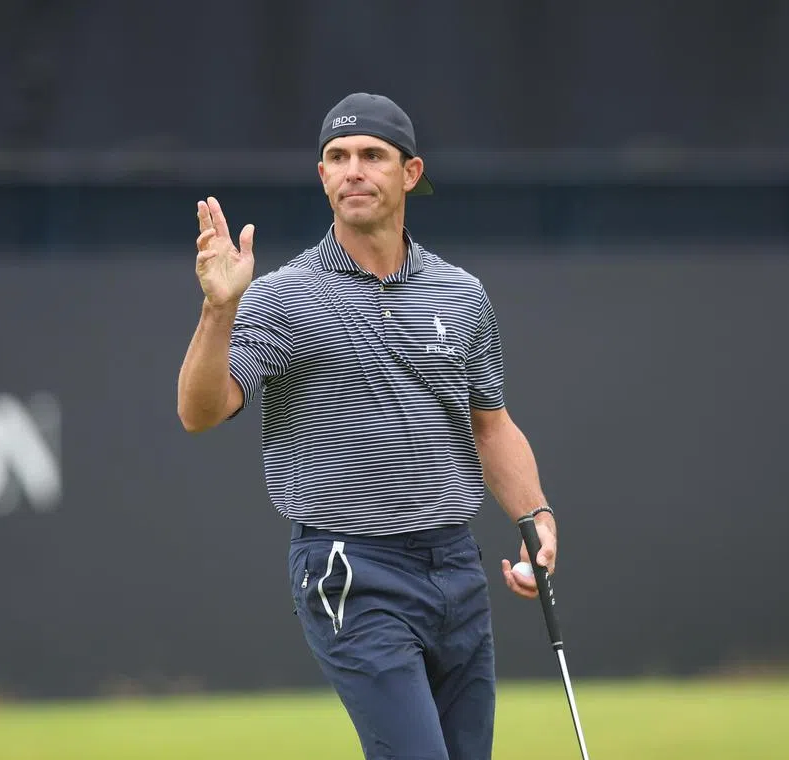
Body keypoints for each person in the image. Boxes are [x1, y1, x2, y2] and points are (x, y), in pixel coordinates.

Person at [177, 92, 559, 760]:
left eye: (372, 155)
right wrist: (218, 312)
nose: (352, 170)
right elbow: (199, 412)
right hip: (349, 567)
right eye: (337, 156)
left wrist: (537, 518)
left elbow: (490, 425)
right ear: (322, 175)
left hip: (456, 566)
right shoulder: (283, 295)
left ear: (410, 173)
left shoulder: (461, 294)